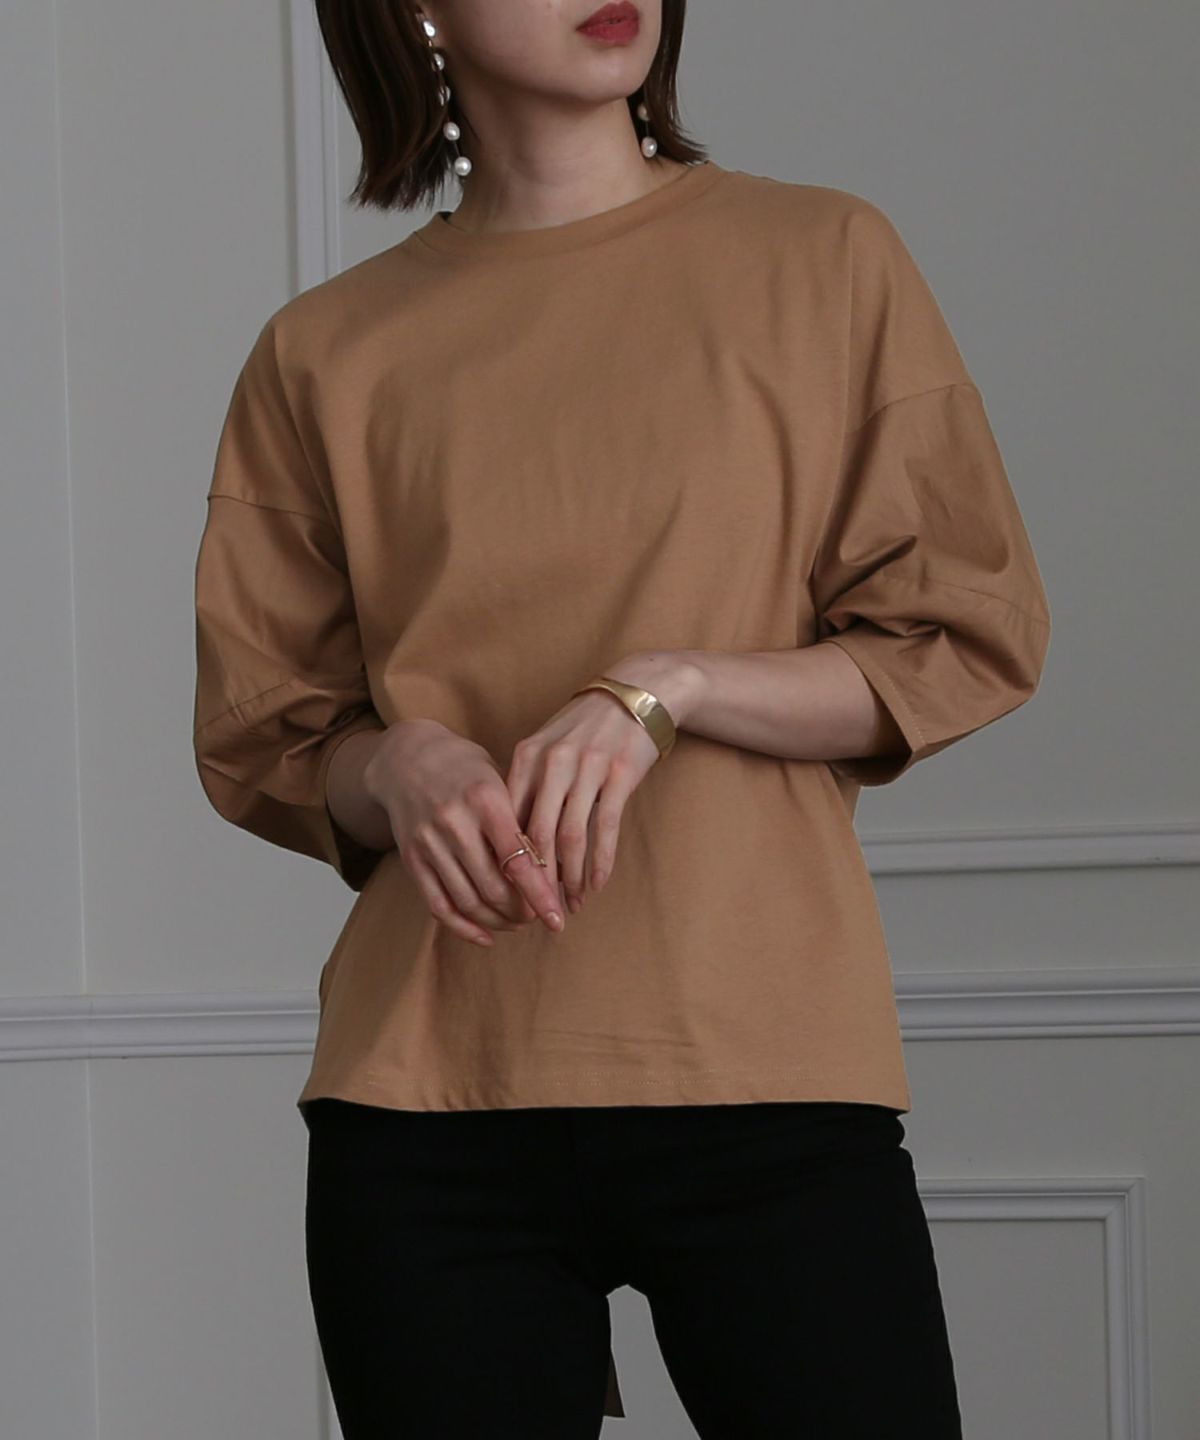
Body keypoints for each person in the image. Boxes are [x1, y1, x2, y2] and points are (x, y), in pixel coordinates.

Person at [191, 2, 1051, 1435]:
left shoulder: (822, 258)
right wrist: (392, 764)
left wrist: (665, 690)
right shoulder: (325, 350)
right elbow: (264, 730)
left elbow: (958, 633)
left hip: (763, 1067)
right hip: (427, 1105)